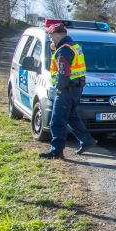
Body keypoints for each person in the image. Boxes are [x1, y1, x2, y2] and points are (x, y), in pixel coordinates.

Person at [39, 22, 97, 159]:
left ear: (57, 34)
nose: (50, 39)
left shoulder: (64, 50)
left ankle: (56, 151)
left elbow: (63, 73)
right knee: (71, 116)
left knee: (57, 120)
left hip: (66, 89)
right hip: (75, 88)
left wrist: (59, 90)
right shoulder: (73, 46)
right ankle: (87, 140)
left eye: (51, 36)